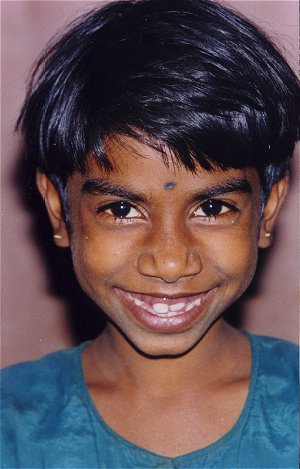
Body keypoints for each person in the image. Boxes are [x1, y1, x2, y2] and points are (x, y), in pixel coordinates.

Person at [1, 0, 299, 467]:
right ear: (59, 212)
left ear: (266, 212)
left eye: (213, 207)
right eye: (121, 209)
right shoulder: (12, 427)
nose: (170, 261)